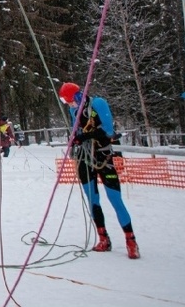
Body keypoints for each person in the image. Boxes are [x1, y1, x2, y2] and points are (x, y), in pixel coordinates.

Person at [59, 82, 140, 259]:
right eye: (67, 102)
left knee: (115, 199)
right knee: (92, 199)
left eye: (70, 100)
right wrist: (75, 138)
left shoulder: (98, 103)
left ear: (78, 96)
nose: (70, 104)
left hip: (103, 156)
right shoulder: (73, 111)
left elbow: (108, 130)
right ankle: (103, 238)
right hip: (85, 158)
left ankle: (131, 240)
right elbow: (76, 130)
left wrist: (85, 136)